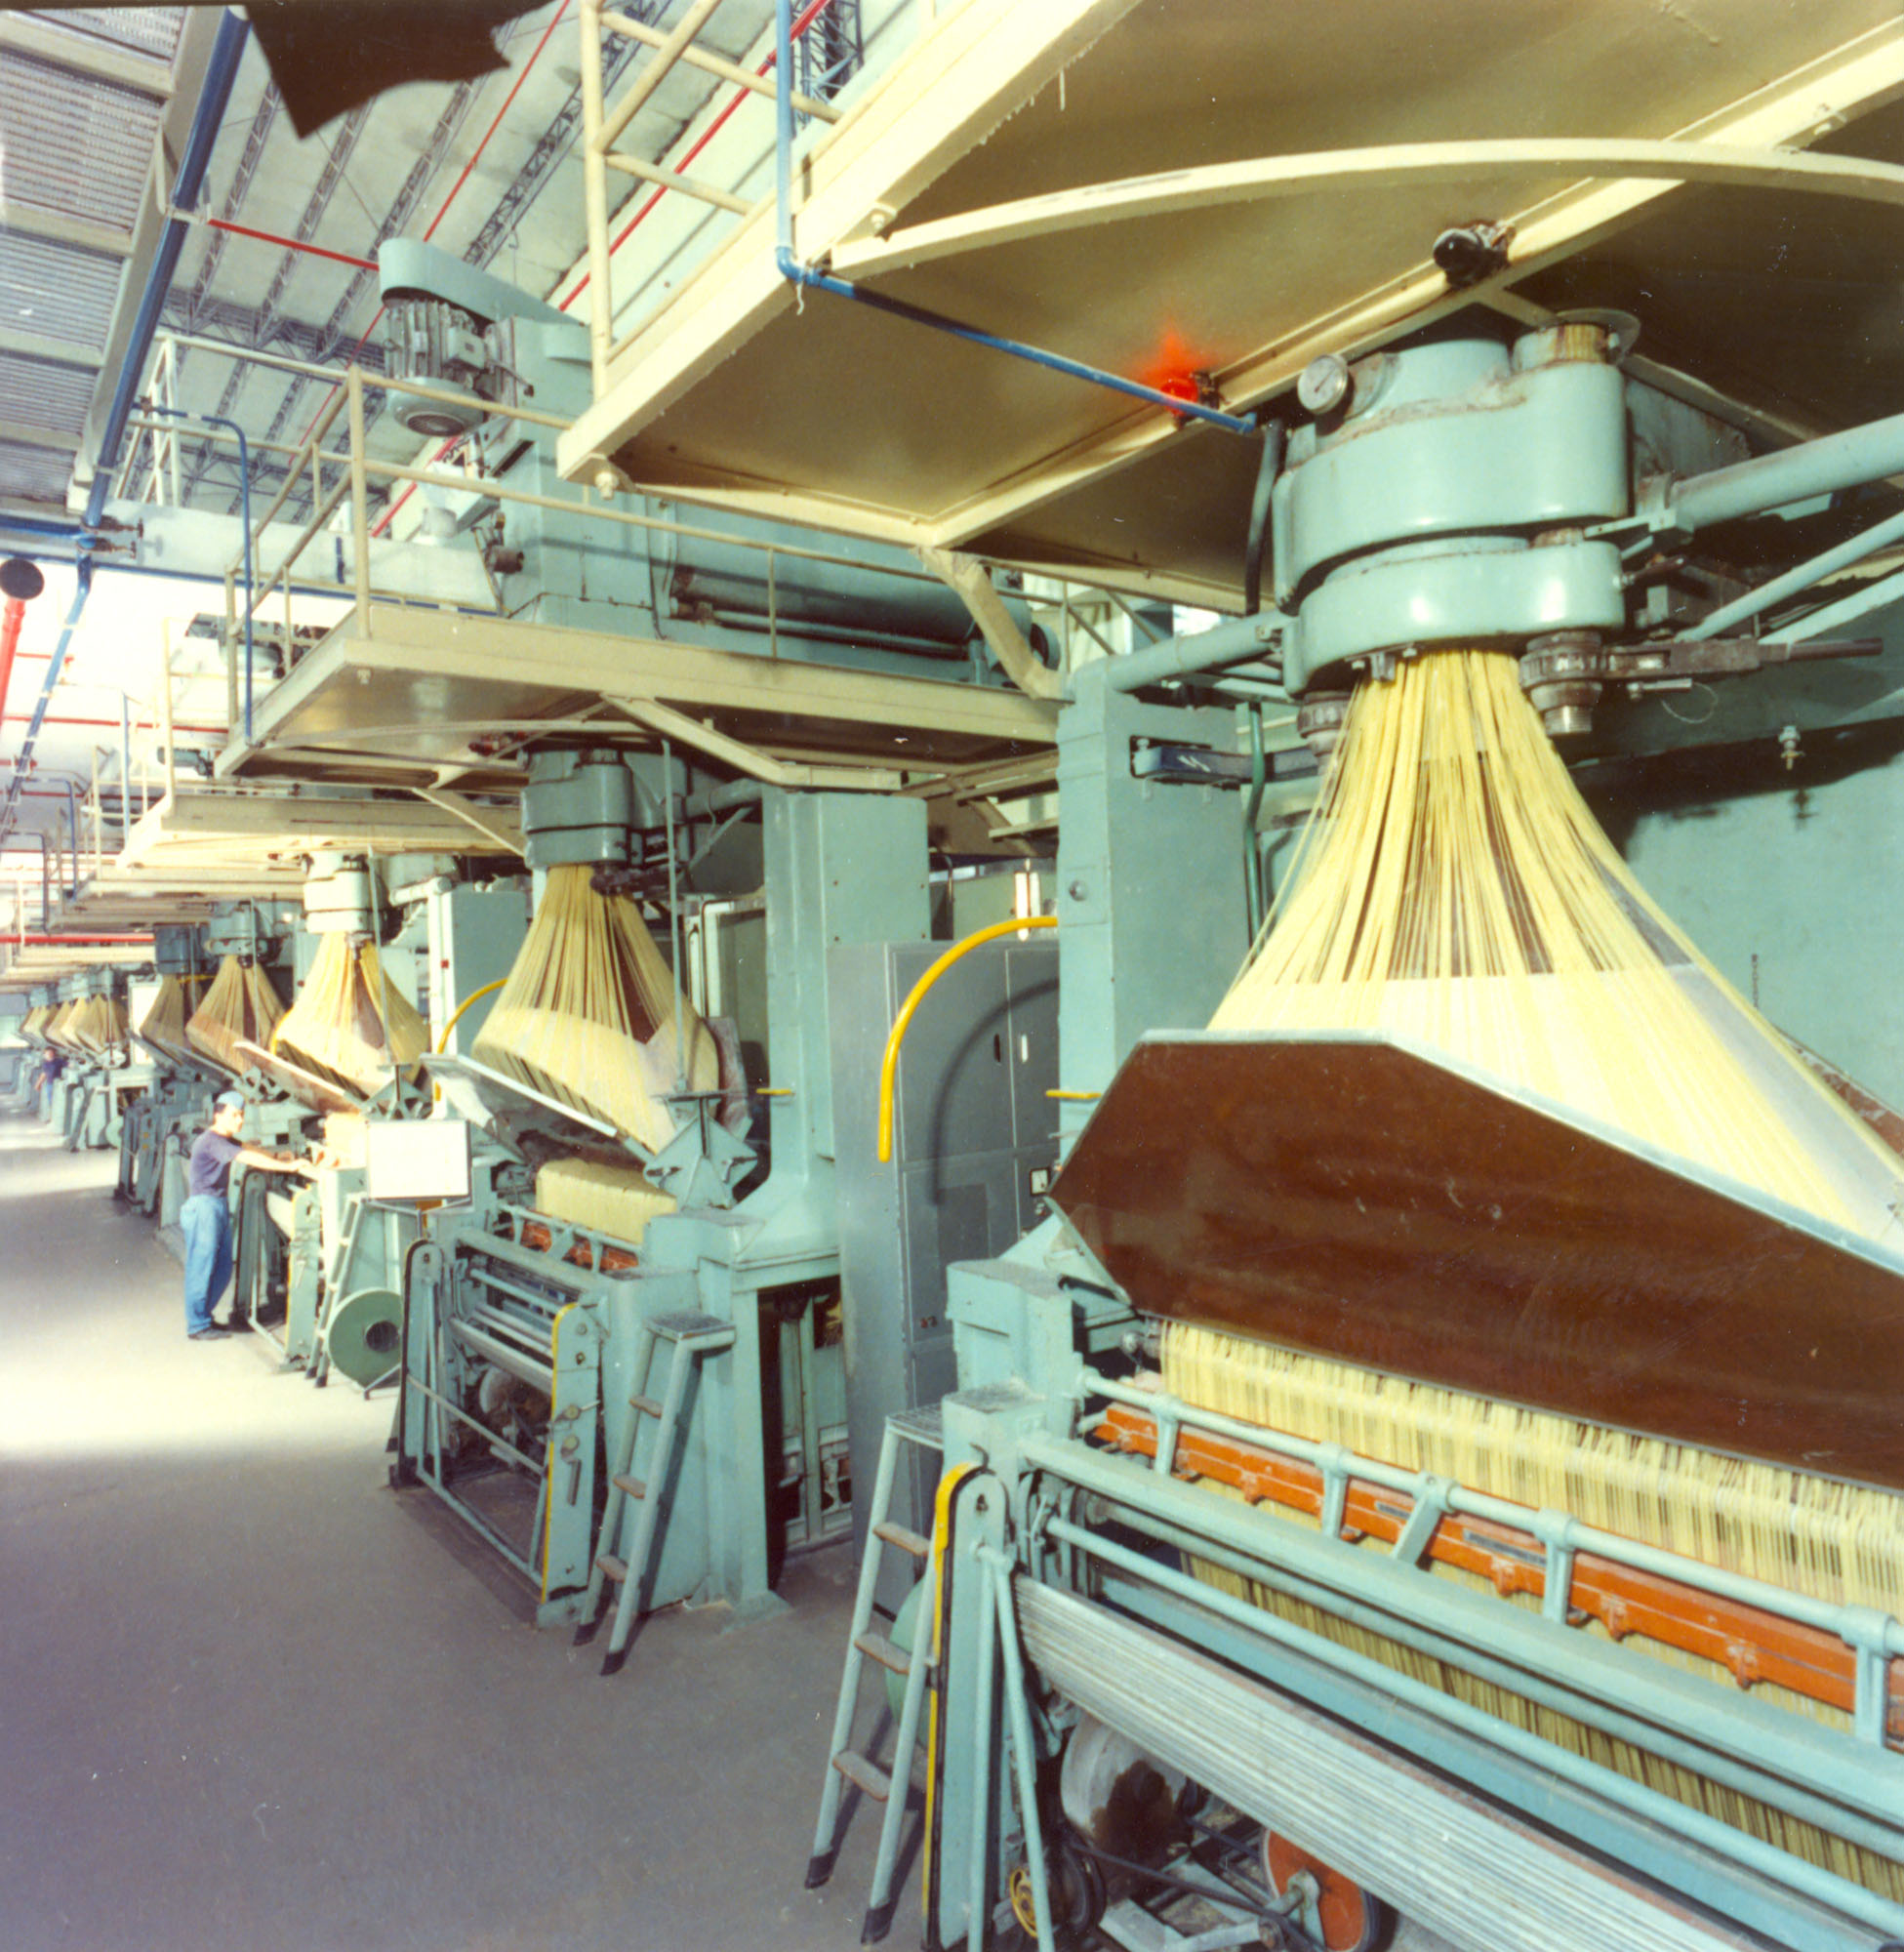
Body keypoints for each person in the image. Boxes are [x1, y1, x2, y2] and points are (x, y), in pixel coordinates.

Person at [182, 1091, 315, 1341]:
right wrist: (288, 1167)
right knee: (201, 1267)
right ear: (218, 1115)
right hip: (203, 1209)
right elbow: (246, 1157)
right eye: (234, 1115)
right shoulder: (212, 1141)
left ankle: (205, 1318)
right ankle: (197, 1326)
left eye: (242, 1115)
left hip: (217, 1205)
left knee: (221, 1268)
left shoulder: (226, 1139)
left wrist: (276, 1156)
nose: (240, 1120)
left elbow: (248, 1147)